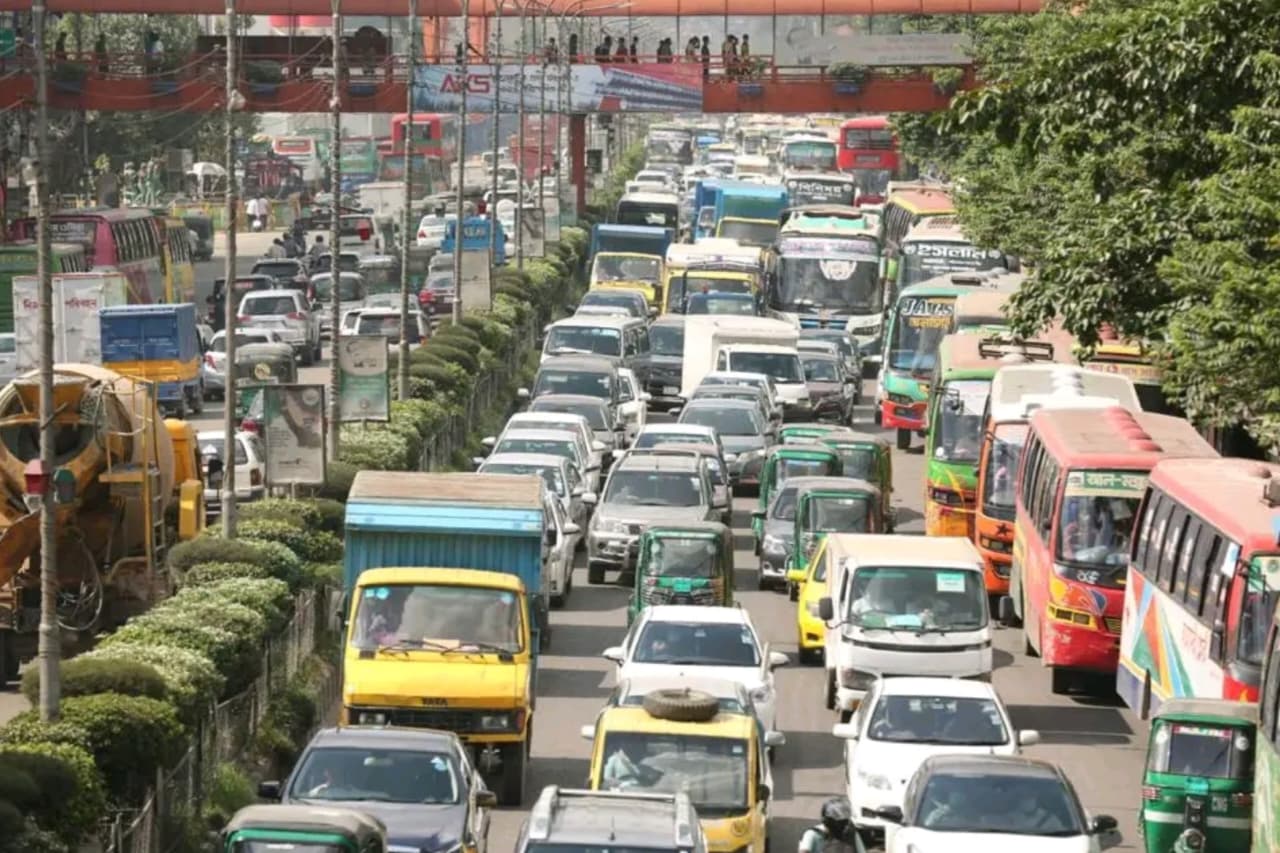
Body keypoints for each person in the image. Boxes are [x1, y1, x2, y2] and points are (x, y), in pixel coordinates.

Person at [798, 797, 866, 853]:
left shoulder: (852, 834)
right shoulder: (812, 834)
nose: (843, 826)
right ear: (827, 822)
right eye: (840, 823)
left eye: (844, 822)